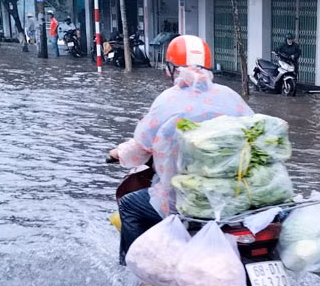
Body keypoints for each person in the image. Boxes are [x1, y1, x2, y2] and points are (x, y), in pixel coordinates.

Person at [109, 35, 254, 265]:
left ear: (171, 69)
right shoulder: (230, 96)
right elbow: (254, 134)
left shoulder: (168, 99)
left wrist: (118, 153)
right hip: (235, 195)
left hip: (187, 199)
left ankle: (138, 274)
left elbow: (141, 148)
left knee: (129, 205)